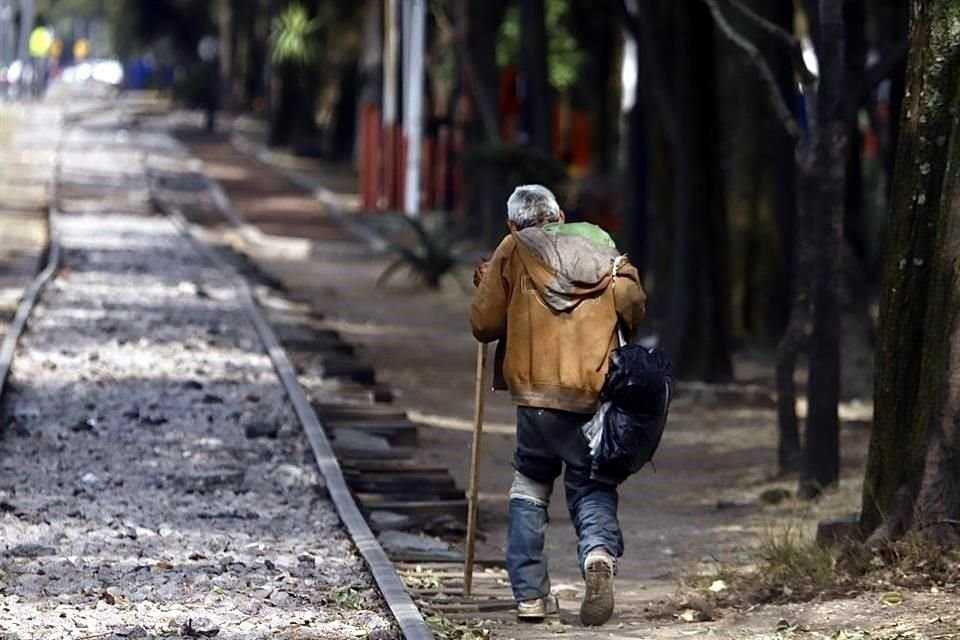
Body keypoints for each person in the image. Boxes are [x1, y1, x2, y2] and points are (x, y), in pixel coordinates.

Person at [470, 184, 646, 626]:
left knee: (530, 482)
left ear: (513, 224)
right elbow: (632, 305)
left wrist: (492, 282)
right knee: (592, 483)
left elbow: (483, 325)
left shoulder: (512, 247)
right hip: (593, 393)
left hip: (536, 398)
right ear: (560, 215)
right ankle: (598, 556)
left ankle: (530, 594)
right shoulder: (600, 245)